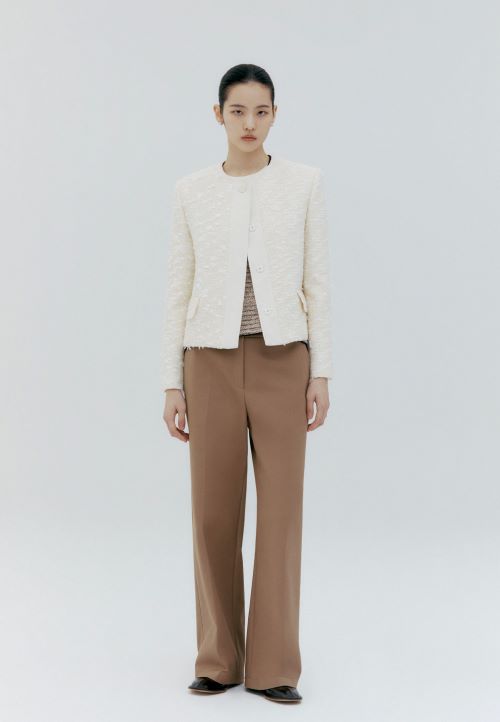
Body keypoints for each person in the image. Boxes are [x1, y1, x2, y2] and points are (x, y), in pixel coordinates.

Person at [161, 63, 333, 704]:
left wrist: (320, 371)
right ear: (219, 115)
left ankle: (274, 666)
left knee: (281, 514)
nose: (250, 123)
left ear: (275, 115)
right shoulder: (191, 192)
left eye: (261, 111)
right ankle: (218, 658)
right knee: (213, 513)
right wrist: (171, 382)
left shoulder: (305, 184)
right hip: (207, 362)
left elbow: (319, 283)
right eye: (238, 111)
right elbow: (177, 289)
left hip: (284, 361)